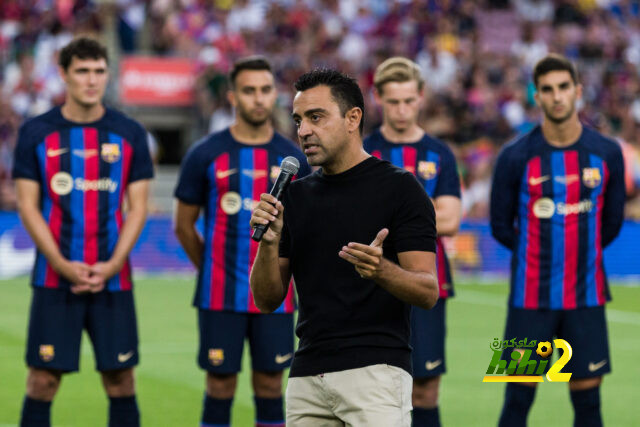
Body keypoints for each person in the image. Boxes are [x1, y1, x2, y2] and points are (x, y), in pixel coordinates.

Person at [250, 68, 440, 426]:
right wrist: (268, 244)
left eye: (316, 117)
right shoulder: (294, 196)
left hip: (376, 374)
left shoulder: (401, 190)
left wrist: (381, 270)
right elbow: (266, 299)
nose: (303, 130)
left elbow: (428, 291)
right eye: (298, 119)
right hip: (307, 375)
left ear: (353, 118)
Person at [12, 37, 153, 427]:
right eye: (82, 71)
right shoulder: (36, 132)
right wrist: (60, 262)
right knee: (42, 380)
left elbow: (138, 207)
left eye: (98, 71)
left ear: (107, 74)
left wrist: (111, 265)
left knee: (121, 380)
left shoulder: (129, 133)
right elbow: (27, 204)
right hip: (54, 278)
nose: (91, 80)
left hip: (114, 280)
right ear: (64, 74)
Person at [173, 56, 310, 427]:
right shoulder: (204, 154)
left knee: (270, 385)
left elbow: (305, 232)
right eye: (249, 91)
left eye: (265, 90)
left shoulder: (295, 159)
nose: (258, 98)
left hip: (277, 298)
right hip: (219, 294)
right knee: (219, 385)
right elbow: (184, 226)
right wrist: (211, 269)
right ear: (233, 96)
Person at [490, 54, 625, 427]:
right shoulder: (514, 156)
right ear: (537, 96)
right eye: (547, 89)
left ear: (578, 91)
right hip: (528, 301)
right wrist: (537, 256)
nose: (557, 97)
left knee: (588, 403)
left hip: (586, 299)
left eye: (564, 87)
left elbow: (611, 224)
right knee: (516, 401)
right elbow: (500, 226)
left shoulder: (607, 153)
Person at [364, 57, 462, 427]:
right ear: (378, 99)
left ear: (421, 97)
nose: (401, 109)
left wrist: (386, 211)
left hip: (427, 283)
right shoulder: (362, 150)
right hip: (370, 281)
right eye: (393, 101)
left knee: (424, 390)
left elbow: (451, 220)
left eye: (408, 100)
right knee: (370, 390)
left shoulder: (440, 154)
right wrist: (422, 213)